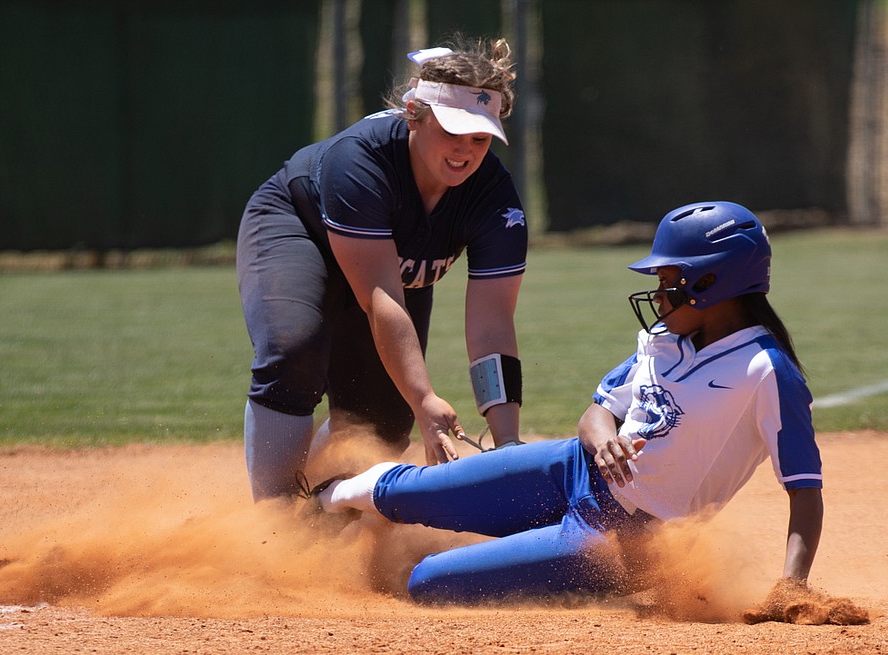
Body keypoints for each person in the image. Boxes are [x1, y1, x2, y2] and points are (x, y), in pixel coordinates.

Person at [311, 201, 825, 606]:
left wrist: (792, 586)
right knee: (411, 492)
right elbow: (596, 414)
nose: (659, 293)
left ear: (713, 283)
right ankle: (321, 502)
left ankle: (505, 553)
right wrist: (602, 441)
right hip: (568, 469)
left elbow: (805, 492)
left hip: (613, 545)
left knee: (427, 583)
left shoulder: (766, 372)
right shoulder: (666, 338)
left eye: (670, 280)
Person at [236, 38, 528, 501]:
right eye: (451, 131)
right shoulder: (361, 160)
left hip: (384, 270)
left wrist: (507, 441)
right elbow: (380, 299)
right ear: (415, 115)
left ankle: (313, 497)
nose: (465, 150)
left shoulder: (493, 196)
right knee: (295, 348)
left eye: (480, 136)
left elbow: (493, 327)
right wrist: (425, 397)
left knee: (383, 425)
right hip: (299, 228)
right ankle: (274, 527)